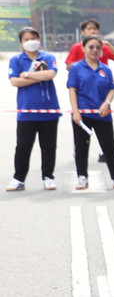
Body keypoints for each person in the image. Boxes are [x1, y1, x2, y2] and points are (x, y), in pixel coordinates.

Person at [66, 35, 114, 190]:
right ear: (83, 49)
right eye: (91, 47)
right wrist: (76, 112)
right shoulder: (76, 68)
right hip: (83, 115)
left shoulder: (105, 69)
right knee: (81, 147)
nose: (95, 50)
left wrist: (106, 103)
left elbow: (111, 89)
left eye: (98, 47)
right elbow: (72, 90)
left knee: (109, 147)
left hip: (102, 115)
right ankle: (82, 177)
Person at [8, 26, 61, 192]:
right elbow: (14, 81)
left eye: (33, 38)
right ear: (21, 42)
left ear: (39, 39)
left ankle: (48, 177)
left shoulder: (47, 57)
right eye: (26, 39)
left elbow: (50, 74)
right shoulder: (16, 60)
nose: (30, 42)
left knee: (48, 146)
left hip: (49, 110)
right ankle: (19, 179)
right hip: (26, 111)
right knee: (23, 146)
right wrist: (37, 76)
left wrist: (26, 75)